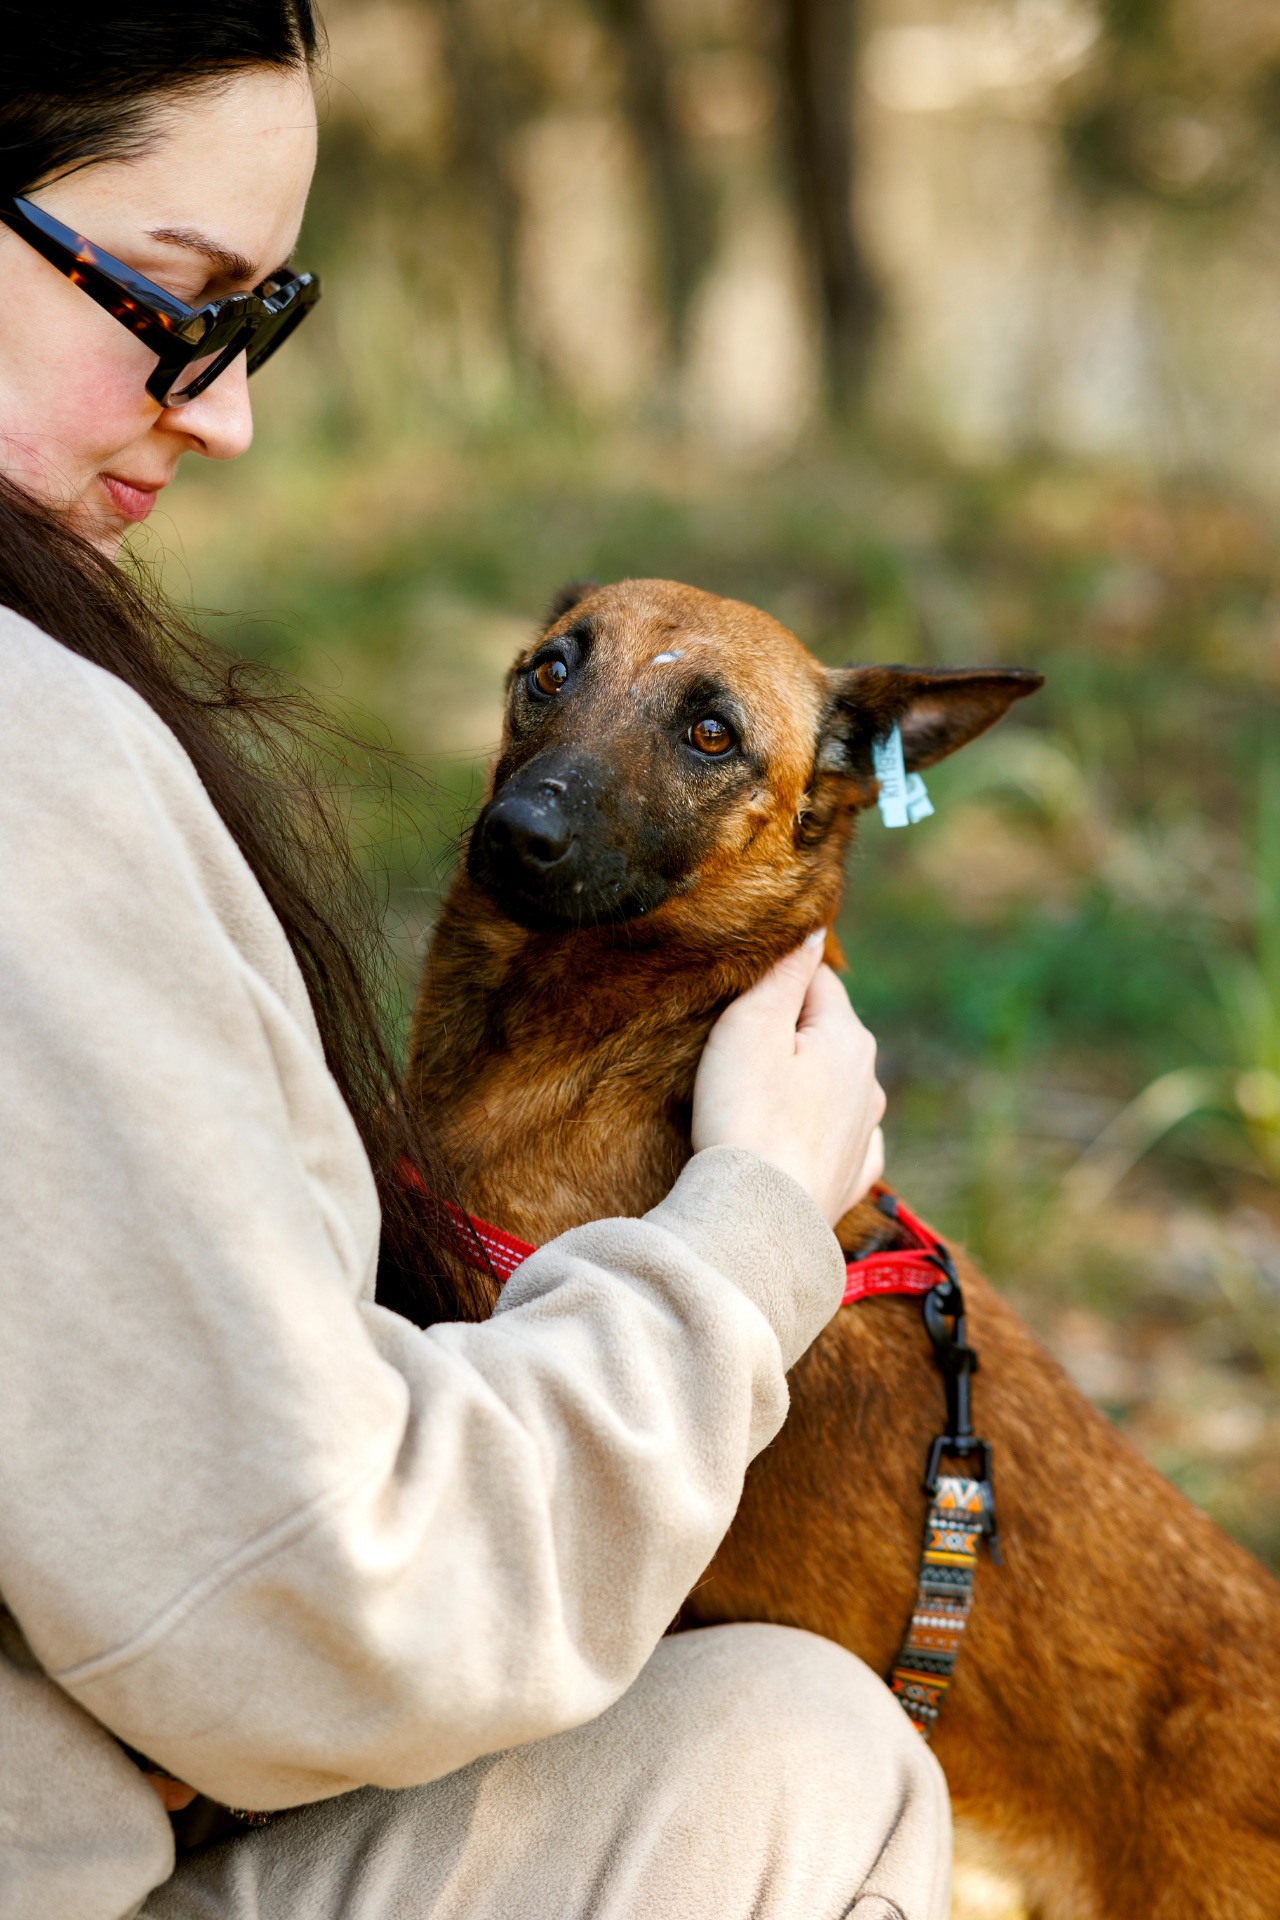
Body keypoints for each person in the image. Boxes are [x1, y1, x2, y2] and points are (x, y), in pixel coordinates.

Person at [0, 6, 949, 1917]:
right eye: (174, 300)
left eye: (263, 324)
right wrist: (760, 1210)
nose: (229, 411)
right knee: (815, 1754)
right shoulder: (33, 769)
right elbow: (327, 1597)